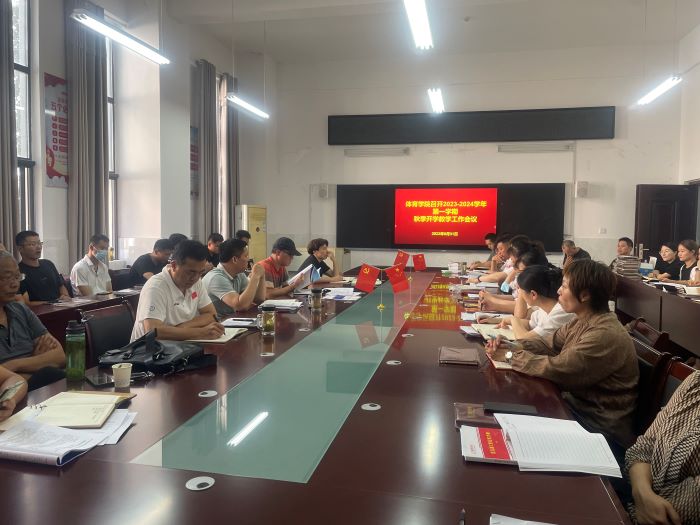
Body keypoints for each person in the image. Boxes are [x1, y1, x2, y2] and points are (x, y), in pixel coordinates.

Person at [486, 259, 639, 447]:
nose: (558, 291)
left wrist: (509, 357)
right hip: (573, 409)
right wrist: (511, 346)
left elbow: (558, 369)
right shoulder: (582, 321)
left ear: (584, 295)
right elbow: (547, 343)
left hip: (597, 428)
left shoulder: (604, 334)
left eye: (564, 286)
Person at [625, 371, 700, 525]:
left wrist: (642, 497)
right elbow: (645, 447)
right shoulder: (695, 380)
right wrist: (642, 491)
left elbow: (670, 516)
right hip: (633, 491)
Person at [130, 240, 224, 342]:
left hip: (181, 345)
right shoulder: (156, 287)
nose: (195, 278)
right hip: (150, 349)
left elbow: (211, 314)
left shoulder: (196, 281)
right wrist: (202, 332)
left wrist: (183, 327)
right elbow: (153, 331)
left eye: (200, 273)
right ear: (174, 265)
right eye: (190, 272)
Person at [0, 251, 66, 391]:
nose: (15, 284)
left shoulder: (21, 310)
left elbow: (59, 356)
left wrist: (14, 365)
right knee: (51, 374)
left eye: (17, 277)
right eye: (7, 278)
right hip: (9, 396)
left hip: (38, 391)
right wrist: (36, 362)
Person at [494, 265, 576, 340]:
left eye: (520, 290)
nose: (519, 293)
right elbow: (530, 325)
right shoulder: (544, 308)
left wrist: (513, 320)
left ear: (533, 294)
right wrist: (505, 320)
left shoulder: (560, 312)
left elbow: (524, 339)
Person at [203, 239, 266, 316]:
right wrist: (255, 276)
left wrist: (261, 276)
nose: (248, 259)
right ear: (235, 259)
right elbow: (241, 306)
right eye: (246, 256)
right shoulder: (216, 278)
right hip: (218, 321)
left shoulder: (239, 274)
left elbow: (259, 299)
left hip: (231, 319)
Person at [15, 230, 70, 305]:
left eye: (39, 243)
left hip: (61, 307)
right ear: (20, 248)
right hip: (40, 311)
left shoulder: (48, 264)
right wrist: (51, 303)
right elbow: (26, 303)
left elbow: (61, 285)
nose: (38, 247)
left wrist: (65, 296)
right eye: (33, 244)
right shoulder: (18, 272)